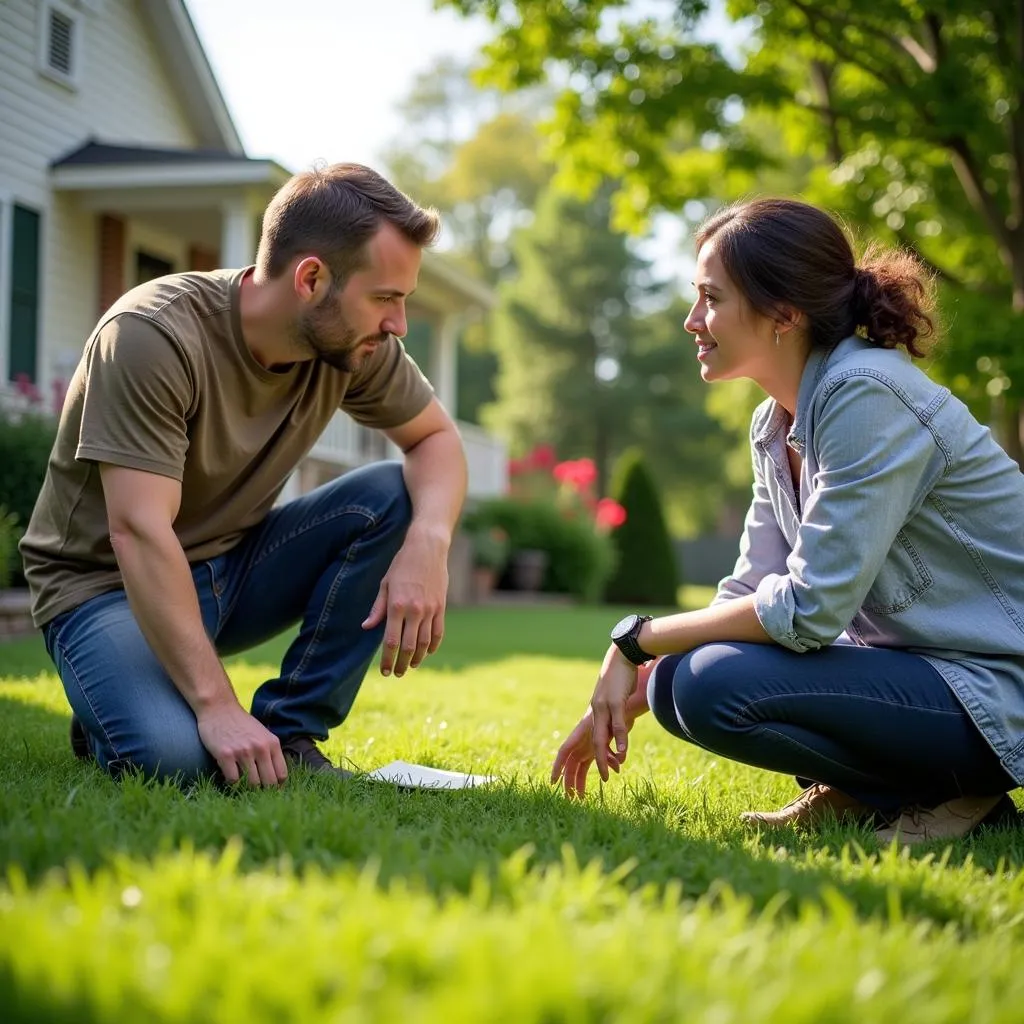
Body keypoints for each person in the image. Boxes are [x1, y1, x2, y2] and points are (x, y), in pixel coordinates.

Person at [552, 197, 1024, 845]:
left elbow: (807, 610)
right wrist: (639, 677)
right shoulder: (775, 421)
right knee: (674, 685)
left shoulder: (866, 392)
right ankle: (885, 793)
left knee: (707, 683)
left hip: (995, 689)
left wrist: (638, 637)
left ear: (785, 313)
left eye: (711, 299)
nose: (692, 320)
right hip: (929, 678)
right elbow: (752, 588)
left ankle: (954, 790)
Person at [20, 163, 468, 788]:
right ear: (311, 278)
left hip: (233, 569)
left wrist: (430, 543)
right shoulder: (153, 333)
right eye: (385, 298)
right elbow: (138, 531)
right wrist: (217, 706)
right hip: (106, 588)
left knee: (393, 496)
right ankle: (126, 698)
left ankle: (292, 728)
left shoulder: (355, 345)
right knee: (176, 761)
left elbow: (437, 441)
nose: (397, 324)